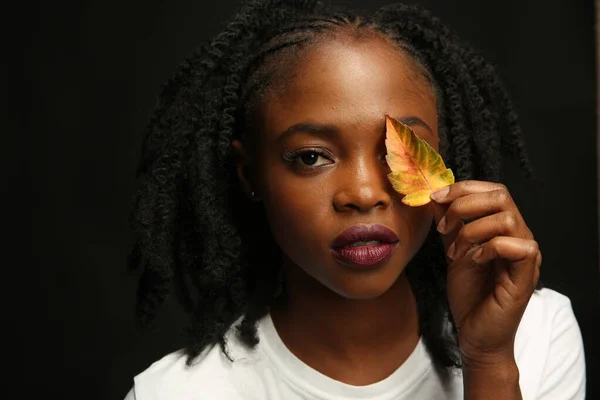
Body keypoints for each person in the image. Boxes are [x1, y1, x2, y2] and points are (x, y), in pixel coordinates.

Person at [123, 0, 586, 398]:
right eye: (310, 157)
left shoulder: (536, 336)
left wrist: (488, 360)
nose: (364, 193)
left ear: (440, 157)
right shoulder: (175, 394)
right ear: (252, 176)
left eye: (397, 154)